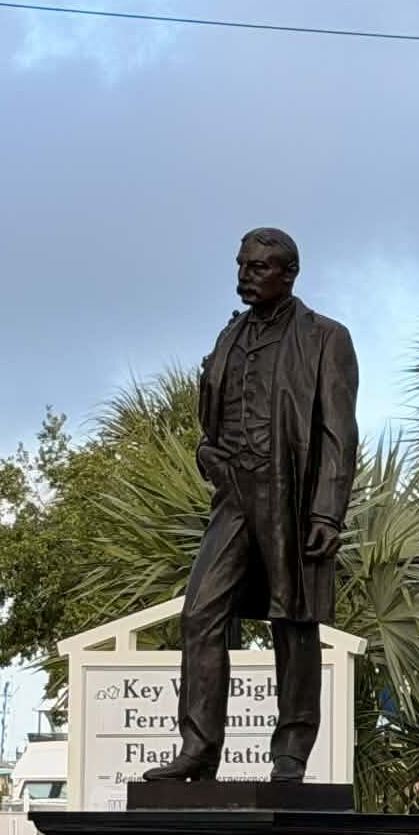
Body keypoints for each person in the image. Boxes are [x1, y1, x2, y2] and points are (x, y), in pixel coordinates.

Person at [142, 226, 358, 783]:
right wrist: (206, 454)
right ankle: (198, 747)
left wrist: (327, 511)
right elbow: (209, 416)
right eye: (242, 264)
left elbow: (338, 431)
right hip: (233, 495)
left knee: (294, 621)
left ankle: (290, 751)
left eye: (259, 267)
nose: (246, 274)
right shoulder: (228, 336)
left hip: (289, 493)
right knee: (201, 611)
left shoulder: (325, 338)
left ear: (289, 274)